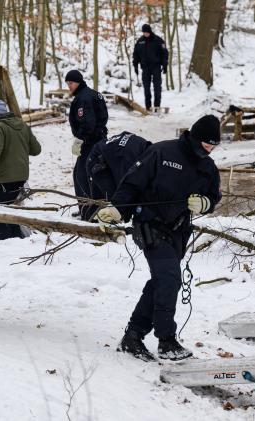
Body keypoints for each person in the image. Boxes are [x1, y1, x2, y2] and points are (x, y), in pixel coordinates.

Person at [97, 115, 222, 362]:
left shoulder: (207, 167)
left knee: (160, 282)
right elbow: (131, 183)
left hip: (178, 230)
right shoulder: (161, 152)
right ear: (195, 138)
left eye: (213, 146)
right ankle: (167, 341)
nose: (209, 149)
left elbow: (214, 195)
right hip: (150, 225)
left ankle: (133, 337)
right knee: (169, 279)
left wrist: (206, 204)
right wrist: (117, 209)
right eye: (206, 144)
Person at [0, 100, 41, 240]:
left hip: (6, 177)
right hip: (22, 176)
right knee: (12, 209)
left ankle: (4, 240)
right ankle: (16, 239)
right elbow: (36, 150)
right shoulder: (22, 125)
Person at [65, 69, 108, 221]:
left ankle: (88, 210)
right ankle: (89, 207)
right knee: (89, 174)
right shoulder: (93, 94)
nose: (69, 86)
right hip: (98, 141)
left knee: (82, 176)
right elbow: (103, 117)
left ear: (78, 82)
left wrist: (80, 140)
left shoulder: (83, 99)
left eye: (71, 83)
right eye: (68, 83)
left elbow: (88, 124)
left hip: (90, 143)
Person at [86, 131, 152, 203]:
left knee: (101, 199)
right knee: (116, 199)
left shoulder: (143, 145)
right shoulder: (128, 159)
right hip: (97, 162)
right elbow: (124, 185)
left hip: (107, 155)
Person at [132, 23, 169, 111]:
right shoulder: (140, 41)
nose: (145, 34)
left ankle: (156, 106)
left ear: (150, 31)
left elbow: (165, 53)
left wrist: (165, 65)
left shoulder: (158, 40)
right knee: (146, 87)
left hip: (156, 66)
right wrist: (135, 65)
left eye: (147, 32)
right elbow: (135, 54)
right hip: (145, 68)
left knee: (157, 87)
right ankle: (148, 107)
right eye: (144, 32)